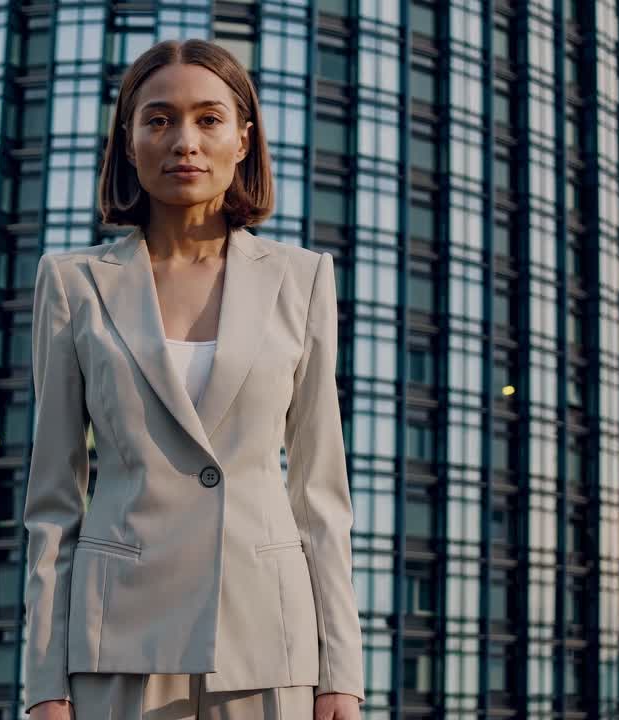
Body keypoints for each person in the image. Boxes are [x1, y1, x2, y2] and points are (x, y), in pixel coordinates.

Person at [22, 38, 364, 720]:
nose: (184, 140)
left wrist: (341, 674)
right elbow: (52, 503)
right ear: (128, 140)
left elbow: (320, 493)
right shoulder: (73, 284)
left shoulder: (302, 279)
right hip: (115, 641)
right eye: (158, 119)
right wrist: (43, 686)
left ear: (243, 138)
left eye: (208, 119)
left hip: (269, 639)